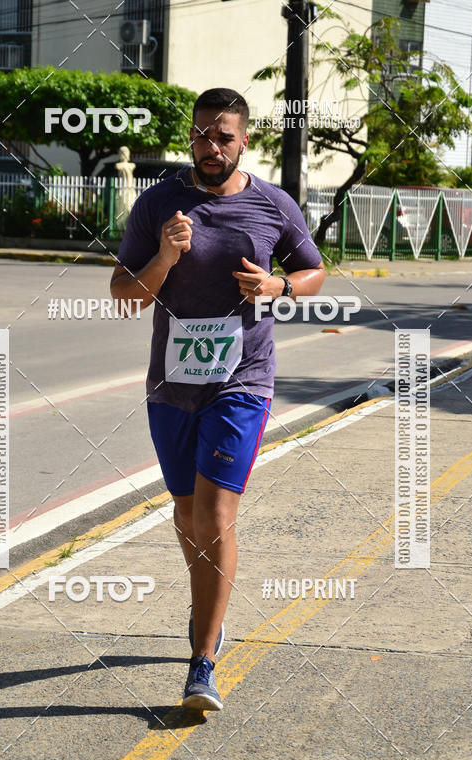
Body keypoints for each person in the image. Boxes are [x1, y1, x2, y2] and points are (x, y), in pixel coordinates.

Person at [110, 87, 325, 711]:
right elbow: (126, 296)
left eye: (223, 135)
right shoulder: (160, 204)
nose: (211, 146)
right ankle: (211, 606)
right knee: (186, 517)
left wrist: (278, 284)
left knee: (212, 518)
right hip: (171, 388)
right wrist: (165, 255)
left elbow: (313, 272)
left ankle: (202, 662)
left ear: (245, 140)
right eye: (202, 134)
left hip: (243, 380)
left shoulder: (271, 203)